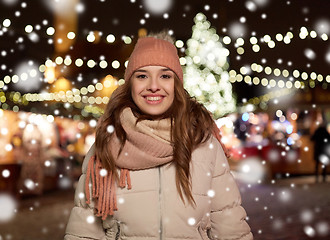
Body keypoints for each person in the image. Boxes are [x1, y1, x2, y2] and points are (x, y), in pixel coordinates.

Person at [64, 32, 253, 240]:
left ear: (176, 84)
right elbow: (84, 232)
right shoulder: (107, 144)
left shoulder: (203, 143)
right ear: (130, 84)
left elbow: (230, 226)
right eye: (142, 75)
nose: (154, 86)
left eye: (165, 75)